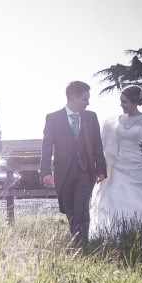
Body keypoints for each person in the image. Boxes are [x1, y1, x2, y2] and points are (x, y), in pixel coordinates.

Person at [88, 85, 142, 239]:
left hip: (138, 167)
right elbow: (106, 143)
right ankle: (116, 235)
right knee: (115, 198)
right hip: (118, 167)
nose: (121, 104)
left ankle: (140, 233)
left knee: (138, 200)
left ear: (135, 102)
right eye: (121, 101)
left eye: (124, 102)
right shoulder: (115, 120)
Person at [40, 81, 107, 248]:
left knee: (82, 208)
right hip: (63, 173)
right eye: (85, 99)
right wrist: (46, 172)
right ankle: (77, 241)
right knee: (69, 210)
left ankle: (82, 245)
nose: (88, 103)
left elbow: (98, 145)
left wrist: (101, 169)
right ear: (73, 97)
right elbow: (46, 147)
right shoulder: (53, 118)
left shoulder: (91, 117)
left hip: (86, 172)